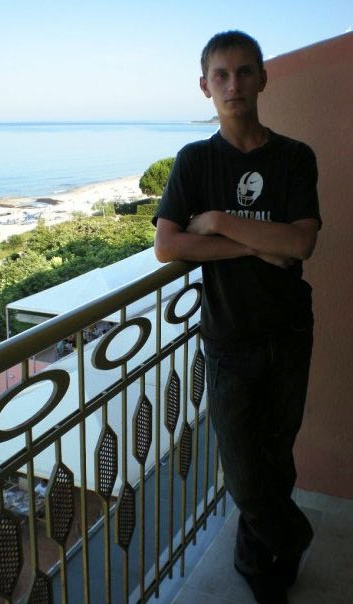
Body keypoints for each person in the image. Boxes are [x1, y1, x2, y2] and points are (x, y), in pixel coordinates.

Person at [153, 31, 321, 604]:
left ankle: (260, 563)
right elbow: (168, 246)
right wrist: (258, 246)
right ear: (205, 87)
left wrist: (223, 222)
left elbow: (300, 243)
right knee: (246, 473)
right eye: (221, 75)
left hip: (290, 332)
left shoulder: (294, 157)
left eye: (245, 71)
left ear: (262, 79)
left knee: (277, 459)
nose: (233, 84)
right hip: (229, 339)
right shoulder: (195, 161)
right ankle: (294, 536)